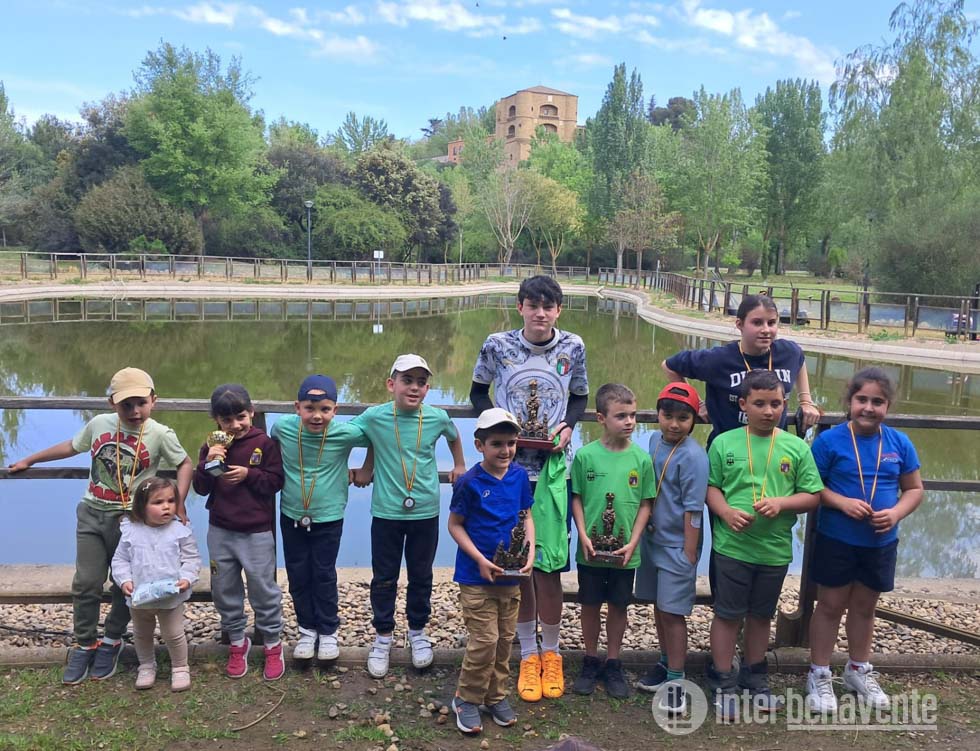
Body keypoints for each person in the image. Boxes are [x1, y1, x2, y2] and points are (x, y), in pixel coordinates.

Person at [7, 367, 192, 685]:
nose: (134, 411)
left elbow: (185, 463)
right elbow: (71, 445)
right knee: (87, 582)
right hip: (92, 512)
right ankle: (85, 643)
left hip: (134, 522)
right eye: (126, 405)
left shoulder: (161, 434)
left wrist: (179, 501)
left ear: (153, 401)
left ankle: (112, 641)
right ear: (112, 404)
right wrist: (31, 459)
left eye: (140, 403)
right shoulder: (99, 425)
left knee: (125, 584)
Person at [471, 274, 588, 703]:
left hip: (554, 472)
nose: (540, 313)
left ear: (559, 310)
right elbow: (476, 393)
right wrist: (503, 429)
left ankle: (551, 654)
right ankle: (525, 651)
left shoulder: (573, 346)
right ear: (519, 306)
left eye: (549, 306)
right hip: (509, 472)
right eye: (532, 304)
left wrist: (567, 426)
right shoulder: (497, 344)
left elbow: (579, 397)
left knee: (550, 567)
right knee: (519, 564)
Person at [705, 370, 823, 718]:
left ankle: (755, 678)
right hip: (732, 547)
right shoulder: (724, 442)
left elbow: (812, 495)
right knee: (727, 615)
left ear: (785, 404)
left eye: (775, 404)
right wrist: (725, 512)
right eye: (759, 404)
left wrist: (782, 504)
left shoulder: (795, 447)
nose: (768, 411)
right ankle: (723, 679)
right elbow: (711, 488)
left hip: (773, 551)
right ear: (744, 405)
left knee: (761, 616)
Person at [805, 368, 923, 713]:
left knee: (864, 607)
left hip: (880, 543)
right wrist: (841, 502)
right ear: (849, 401)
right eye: (862, 400)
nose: (869, 407)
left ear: (888, 405)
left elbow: (914, 489)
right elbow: (812, 487)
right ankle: (819, 673)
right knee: (829, 605)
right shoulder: (829, 441)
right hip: (837, 538)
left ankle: (858, 669)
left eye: (878, 401)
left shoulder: (899, 443)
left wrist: (897, 513)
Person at [350, 354, 467, 678]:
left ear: (427, 388)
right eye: (407, 380)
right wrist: (365, 467)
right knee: (384, 577)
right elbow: (344, 434)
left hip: (426, 510)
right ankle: (383, 636)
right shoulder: (375, 416)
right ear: (391, 384)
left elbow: (454, 434)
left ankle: (418, 631)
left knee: (421, 575)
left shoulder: (435, 416)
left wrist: (459, 464)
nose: (414, 387)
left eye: (420, 382)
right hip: (386, 511)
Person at [448, 408, 535, 735]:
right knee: (485, 640)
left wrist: (529, 552)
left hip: (509, 578)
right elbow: (455, 526)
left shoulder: (519, 477)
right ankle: (466, 698)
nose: (506, 450)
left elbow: (526, 517)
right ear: (479, 445)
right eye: (497, 443)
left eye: (511, 443)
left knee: (504, 641)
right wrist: (480, 560)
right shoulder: (470, 482)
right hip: (476, 577)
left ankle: (495, 695)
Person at [271, 374, 368, 662]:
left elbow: (378, 436)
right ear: (297, 407)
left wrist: (365, 468)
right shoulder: (282, 428)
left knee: (324, 574)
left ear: (335, 411)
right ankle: (306, 630)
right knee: (298, 573)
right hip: (291, 513)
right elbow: (272, 450)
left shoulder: (346, 433)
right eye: (309, 408)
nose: (317, 416)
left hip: (328, 516)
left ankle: (328, 631)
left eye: (324, 409)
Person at [192, 384, 285, 681]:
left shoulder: (265, 444)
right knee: (225, 588)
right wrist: (208, 463)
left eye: (241, 417)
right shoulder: (212, 447)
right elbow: (200, 488)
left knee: (263, 588)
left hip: (257, 531)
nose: (235, 425)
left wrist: (249, 474)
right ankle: (236, 641)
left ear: (252, 413)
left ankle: (272, 643)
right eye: (227, 420)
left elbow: (275, 482)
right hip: (220, 529)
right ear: (216, 421)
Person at [569, 384, 655, 700]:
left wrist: (634, 542)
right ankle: (590, 659)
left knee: (619, 605)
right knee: (590, 604)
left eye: (632, 415)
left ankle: (614, 660)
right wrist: (581, 533)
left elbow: (646, 502)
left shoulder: (641, 459)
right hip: (590, 549)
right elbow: (576, 498)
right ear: (601, 418)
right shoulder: (585, 456)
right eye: (621, 416)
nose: (629, 421)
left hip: (625, 552)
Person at [634, 383, 709, 713]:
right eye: (667, 416)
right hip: (652, 538)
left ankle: (678, 679)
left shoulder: (694, 456)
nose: (674, 424)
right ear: (658, 414)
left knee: (674, 611)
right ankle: (665, 664)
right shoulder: (652, 441)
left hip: (678, 543)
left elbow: (694, 510)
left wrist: (689, 553)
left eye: (683, 417)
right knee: (658, 605)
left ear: (693, 420)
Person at [661, 294, 821, 445]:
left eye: (771, 323)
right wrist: (696, 403)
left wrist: (806, 401)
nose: (766, 329)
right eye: (757, 323)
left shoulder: (788, 352)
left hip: (774, 449)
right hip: (728, 452)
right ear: (740, 324)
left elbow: (799, 359)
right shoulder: (718, 359)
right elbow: (669, 366)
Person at [111, 476, 201, 691]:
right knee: (142, 633)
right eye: (158, 503)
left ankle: (180, 667)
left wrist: (187, 578)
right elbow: (120, 559)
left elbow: (192, 559)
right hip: (139, 595)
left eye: (171, 501)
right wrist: (124, 580)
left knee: (173, 633)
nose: (167, 507)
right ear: (142, 506)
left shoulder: (180, 531)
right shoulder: (131, 530)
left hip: (171, 595)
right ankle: (146, 666)